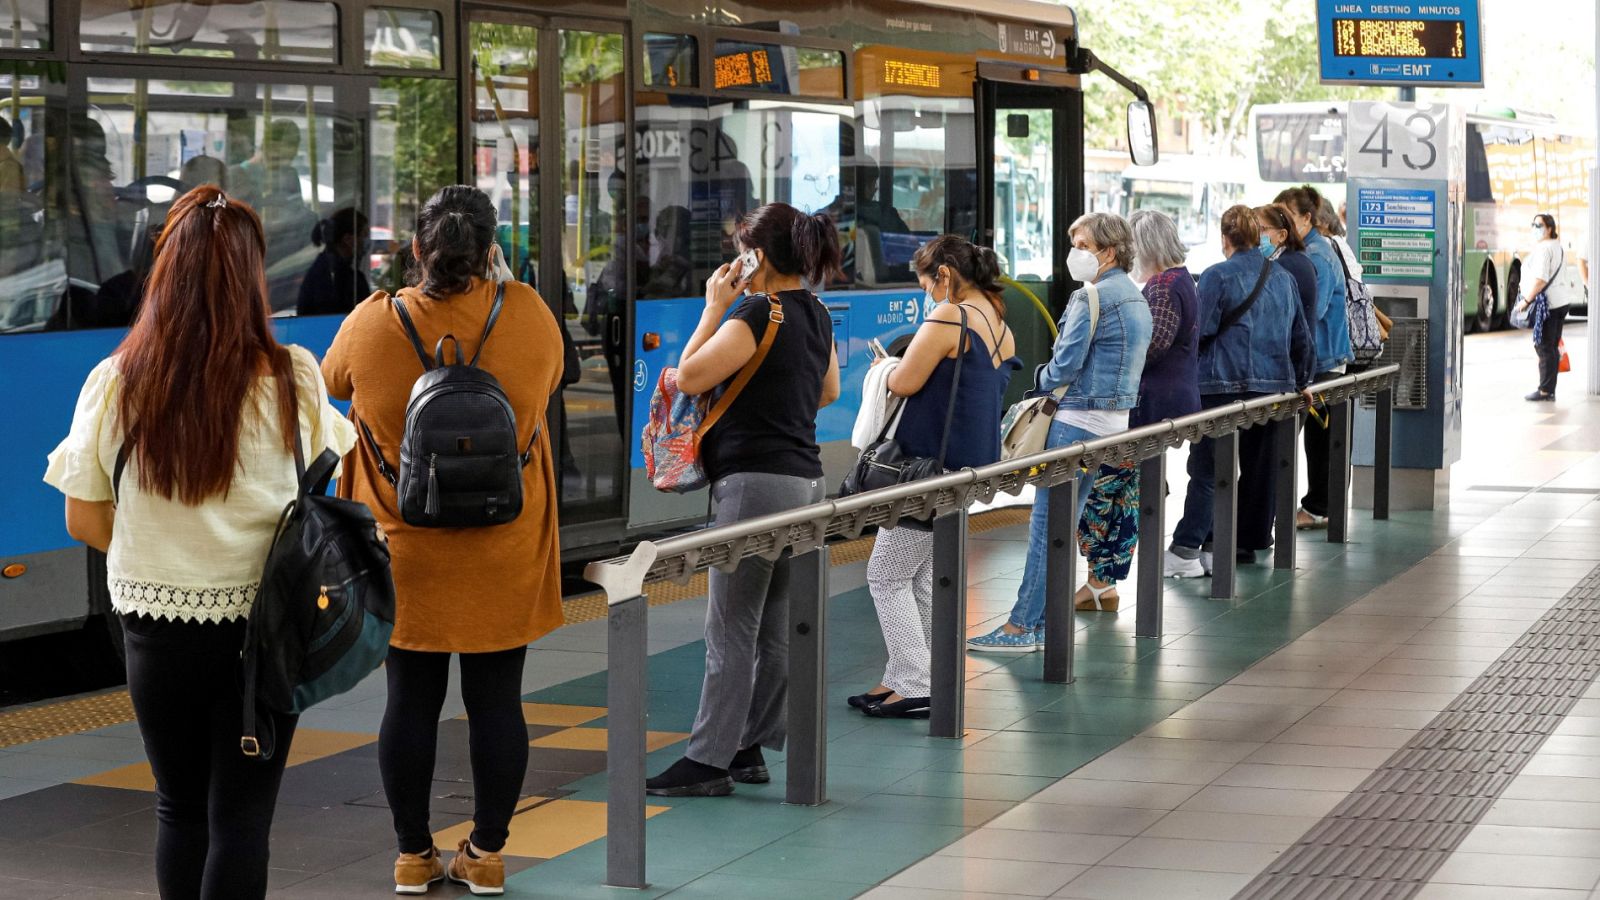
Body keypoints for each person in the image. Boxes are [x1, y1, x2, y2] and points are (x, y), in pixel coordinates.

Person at [43, 185, 357, 900]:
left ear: (166, 273)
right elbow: (322, 488)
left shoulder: (117, 381)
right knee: (242, 820)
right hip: (267, 631)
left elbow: (82, 520)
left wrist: (163, 548)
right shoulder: (293, 377)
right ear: (251, 277)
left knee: (178, 806)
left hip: (155, 627)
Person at [322, 186, 566, 896]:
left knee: (409, 702)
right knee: (498, 703)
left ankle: (412, 855)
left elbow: (335, 381)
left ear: (415, 250)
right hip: (504, 547)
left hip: (405, 551)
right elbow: (550, 381)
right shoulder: (528, 314)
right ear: (491, 252)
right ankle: (485, 854)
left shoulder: (374, 322)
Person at [646, 202, 842, 796]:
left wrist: (713, 308)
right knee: (773, 627)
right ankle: (748, 748)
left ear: (755, 256)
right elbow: (828, 392)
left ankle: (707, 762)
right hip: (805, 482)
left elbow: (689, 377)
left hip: (753, 485)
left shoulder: (756, 312)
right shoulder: (817, 312)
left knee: (731, 627)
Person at [968, 212, 1151, 652]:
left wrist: (1039, 378)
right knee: (1065, 523)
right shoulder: (1136, 298)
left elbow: (1065, 365)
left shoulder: (1091, 297)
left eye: (1083, 245)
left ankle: (1021, 627)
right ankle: (1042, 620)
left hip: (1074, 424)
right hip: (1113, 426)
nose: (1075, 253)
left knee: (1047, 526)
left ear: (1109, 251)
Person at [853, 236, 1017, 714]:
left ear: (944, 275)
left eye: (926, 283)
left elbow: (905, 381)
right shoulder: (999, 323)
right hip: (967, 464)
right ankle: (910, 676)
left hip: (926, 469)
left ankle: (916, 683)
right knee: (921, 576)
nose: (926, 293)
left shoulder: (950, 316)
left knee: (885, 576)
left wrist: (884, 367)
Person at [1166, 206, 1314, 576]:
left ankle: (1186, 548)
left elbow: (1199, 332)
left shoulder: (1217, 276)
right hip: (1274, 391)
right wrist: (1302, 383)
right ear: (1257, 237)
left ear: (1224, 238)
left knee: (1208, 470)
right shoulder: (1283, 277)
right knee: (1253, 472)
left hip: (1222, 387)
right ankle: (1219, 546)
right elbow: (1302, 339)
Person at [1075, 211, 1199, 610]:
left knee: (1104, 492)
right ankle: (1102, 584)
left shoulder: (1163, 286)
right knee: (1124, 493)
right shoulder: (1184, 280)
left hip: (1147, 405)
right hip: (1170, 400)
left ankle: (1101, 581)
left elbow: (1151, 344)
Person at [1276, 185, 1352, 532]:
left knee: (1322, 441)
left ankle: (1320, 508)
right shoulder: (1311, 250)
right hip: (1320, 359)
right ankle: (1319, 507)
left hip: (1323, 362)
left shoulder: (1317, 256)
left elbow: (1312, 311)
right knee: (1319, 439)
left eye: (1287, 216)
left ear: (1307, 218)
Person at [1520, 212, 1578, 401]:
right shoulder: (1557, 246)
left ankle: (1545, 390)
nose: (1535, 229)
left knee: (1544, 346)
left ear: (1549, 228)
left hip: (1550, 305)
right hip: (1561, 302)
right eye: (1533, 225)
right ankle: (1549, 389)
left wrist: (1526, 300)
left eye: (1539, 225)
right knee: (1551, 346)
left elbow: (1541, 279)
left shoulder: (1545, 249)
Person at [296, 207, 372, 316]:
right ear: (348, 239)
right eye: (364, 235)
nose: (367, 240)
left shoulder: (325, 267)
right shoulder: (335, 276)